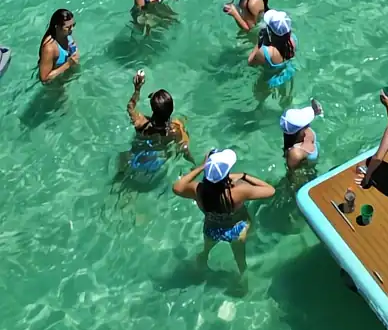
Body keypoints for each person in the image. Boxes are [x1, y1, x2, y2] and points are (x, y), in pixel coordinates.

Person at [172, 148, 275, 284]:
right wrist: (244, 176)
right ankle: (243, 283)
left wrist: (202, 166)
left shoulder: (198, 190)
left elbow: (177, 187)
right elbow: (270, 190)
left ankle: (201, 268)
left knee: (205, 252)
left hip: (211, 229)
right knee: (240, 262)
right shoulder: (238, 192)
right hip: (236, 231)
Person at [124, 70, 192, 180]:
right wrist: (194, 163)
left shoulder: (141, 122)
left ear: (152, 108)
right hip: (154, 164)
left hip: (134, 158)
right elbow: (184, 149)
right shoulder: (175, 129)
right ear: (171, 109)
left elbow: (130, 106)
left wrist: (137, 89)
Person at [247, 9, 297, 88]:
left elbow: (250, 63)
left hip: (269, 81)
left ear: (270, 32)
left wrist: (259, 42)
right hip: (288, 73)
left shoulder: (265, 52)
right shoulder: (293, 40)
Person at [38, 9, 79, 84]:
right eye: (68, 27)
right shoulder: (49, 48)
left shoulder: (67, 35)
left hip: (67, 78)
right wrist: (68, 64)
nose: (72, 29)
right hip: (55, 85)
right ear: (57, 27)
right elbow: (44, 79)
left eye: (73, 25)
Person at [281, 101, 324, 172]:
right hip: (307, 173)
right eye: (306, 124)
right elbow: (293, 175)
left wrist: (315, 110)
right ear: (300, 131)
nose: (308, 124)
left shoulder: (294, 131)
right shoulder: (295, 153)